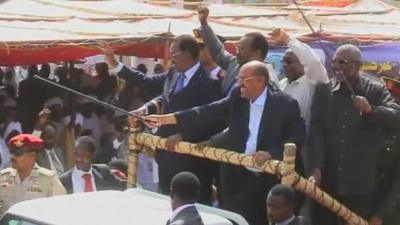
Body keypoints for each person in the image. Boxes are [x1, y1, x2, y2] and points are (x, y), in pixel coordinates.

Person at [144, 60, 305, 225]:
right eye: (238, 78)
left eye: (245, 80)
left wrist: (270, 153)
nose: (240, 83)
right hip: (241, 176)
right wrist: (165, 119)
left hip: (270, 179)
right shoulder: (237, 97)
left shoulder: (285, 104)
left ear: (260, 80)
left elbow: (297, 137)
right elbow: (207, 112)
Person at [101, 34, 222, 205]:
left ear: (187, 54)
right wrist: (145, 108)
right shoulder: (173, 73)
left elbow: (211, 119)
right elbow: (150, 85)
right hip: (166, 154)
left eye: (174, 54)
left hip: (192, 161)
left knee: (192, 206)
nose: (171, 58)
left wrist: (182, 135)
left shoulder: (210, 83)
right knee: (166, 200)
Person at [308, 44, 400, 225]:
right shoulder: (324, 91)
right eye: (335, 62)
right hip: (327, 180)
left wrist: (370, 110)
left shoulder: (375, 91)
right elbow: (316, 132)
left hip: (359, 183)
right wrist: (316, 168)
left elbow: (396, 117)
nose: (337, 67)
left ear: (359, 66)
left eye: (343, 62)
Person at [196, 6, 278, 96]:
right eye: (237, 49)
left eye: (241, 49)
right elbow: (217, 50)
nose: (237, 52)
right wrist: (204, 24)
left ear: (257, 53)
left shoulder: (267, 75)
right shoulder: (234, 63)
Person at [270, 28, 328, 131]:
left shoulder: (312, 81)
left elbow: (313, 61)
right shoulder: (282, 84)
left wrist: (288, 40)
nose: (284, 65)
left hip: (305, 141)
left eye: (289, 62)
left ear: (302, 62)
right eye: (283, 61)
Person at [0, 134, 66, 215]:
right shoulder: (2, 177)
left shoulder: (49, 180)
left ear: (32, 155)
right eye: (12, 152)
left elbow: (60, 210)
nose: (13, 157)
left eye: (18, 153)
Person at [369, 77, 400, 225]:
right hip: (363, 199)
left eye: (394, 99)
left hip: (389, 210)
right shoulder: (373, 123)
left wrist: (381, 215)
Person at [60, 136, 125, 194]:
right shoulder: (64, 180)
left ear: (92, 156)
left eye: (83, 155)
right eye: (76, 154)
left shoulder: (104, 172)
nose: (79, 158)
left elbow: (123, 187)